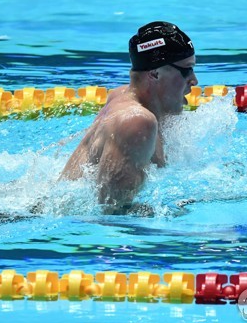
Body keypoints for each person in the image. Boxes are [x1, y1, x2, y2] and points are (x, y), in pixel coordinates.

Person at [60, 21, 198, 214]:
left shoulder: (131, 100)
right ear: (155, 74)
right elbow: (111, 211)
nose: (194, 80)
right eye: (186, 70)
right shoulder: (137, 121)